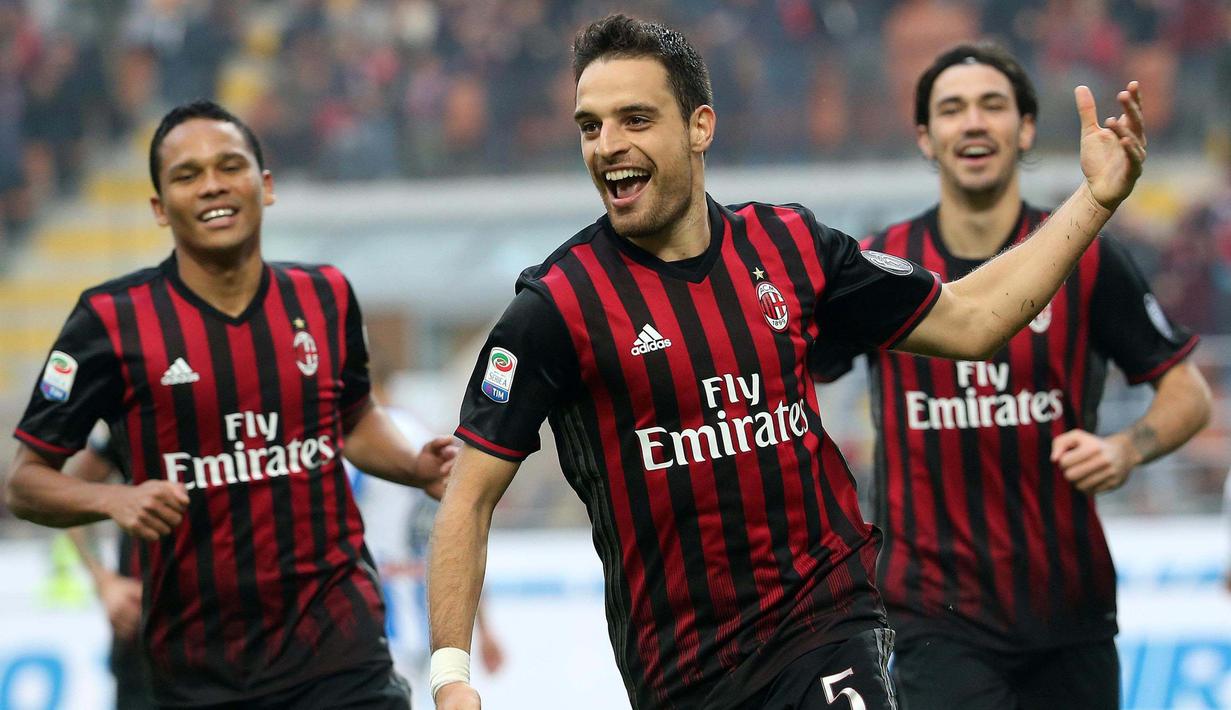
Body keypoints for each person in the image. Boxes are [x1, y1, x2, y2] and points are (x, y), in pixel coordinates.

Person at [429, 14, 1148, 710]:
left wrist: (1094, 200)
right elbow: (469, 496)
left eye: (635, 120)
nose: (608, 145)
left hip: (826, 625)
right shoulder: (556, 306)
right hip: (681, 675)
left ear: (699, 126)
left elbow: (972, 321)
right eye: (591, 126)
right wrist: (450, 675)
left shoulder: (792, 248)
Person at [4, 99, 456, 709]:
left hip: (342, 655)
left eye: (230, 166)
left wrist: (413, 464)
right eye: (187, 175)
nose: (212, 184)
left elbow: (352, 420)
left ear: (264, 185)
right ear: (160, 208)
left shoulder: (325, 295)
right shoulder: (109, 321)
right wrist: (115, 500)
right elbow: (25, 483)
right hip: (198, 673)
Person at [810, 43, 1212, 710]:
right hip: (932, 615)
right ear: (925, 137)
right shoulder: (881, 265)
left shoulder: (1088, 258)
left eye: (991, 105)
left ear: (1025, 129)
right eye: (952, 109)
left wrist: (1124, 449)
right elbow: (800, 376)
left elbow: (1187, 393)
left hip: (1070, 612)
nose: (973, 121)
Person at [342, 368, 505, 706]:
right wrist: (485, 629)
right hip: (432, 619)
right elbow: (459, 536)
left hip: (379, 619)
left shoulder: (364, 445)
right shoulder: (420, 435)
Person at [64, 423, 154, 709]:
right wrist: (104, 582)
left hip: (242, 643)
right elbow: (68, 494)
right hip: (143, 638)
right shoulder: (133, 418)